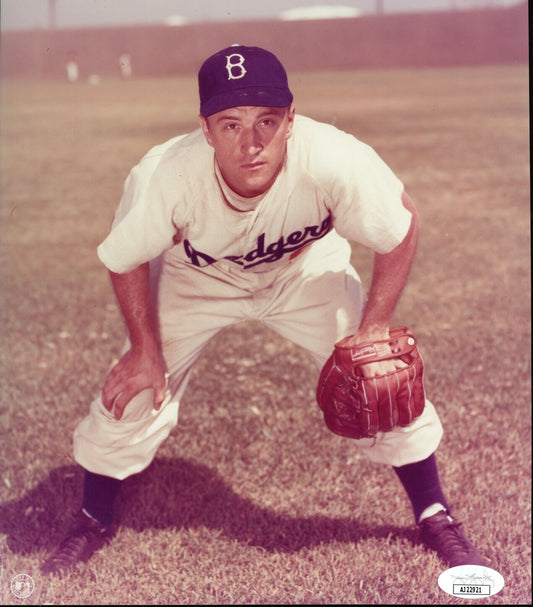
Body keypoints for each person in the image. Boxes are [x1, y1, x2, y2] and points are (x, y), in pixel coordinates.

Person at [41, 45, 483, 575]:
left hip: (304, 272)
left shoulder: (333, 157)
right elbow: (126, 258)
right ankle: (93, 517)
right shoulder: (166, 173)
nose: (250, 143)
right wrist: (144, 349)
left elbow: (401, 224)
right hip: (197, 279)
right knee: (135, 390)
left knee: (379, 377)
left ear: (291, 120)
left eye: (266, 122)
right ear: (205, 129)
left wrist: (374, 328)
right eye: (230, 125)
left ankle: (435, 513)